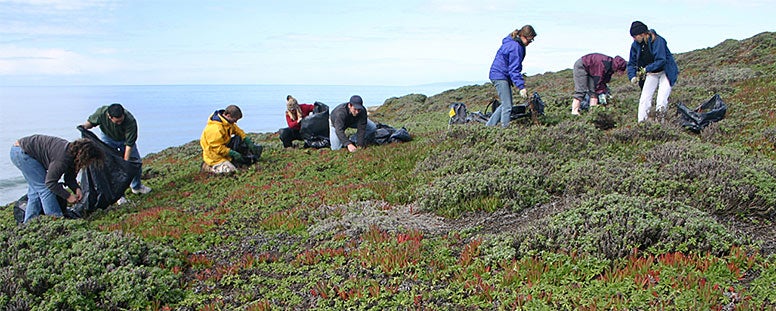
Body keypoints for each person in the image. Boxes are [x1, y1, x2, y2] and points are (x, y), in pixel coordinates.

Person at [10, 135, 104, 222]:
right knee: (45, 189)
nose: (89, 164)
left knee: (35, 191)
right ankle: (56, 221)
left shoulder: (73, 156)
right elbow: (50, 183)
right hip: (22, 152)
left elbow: (69, 178)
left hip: (23, 151)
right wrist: (68, 196)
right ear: (84, 156)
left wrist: (76, 189)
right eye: (89, 160)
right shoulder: (62, 159)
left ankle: (29, 222)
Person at [82, 103, 151, 195]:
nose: (119, 123)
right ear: (109, 117)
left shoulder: (130, 121)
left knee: (135, 163)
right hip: (108, 138)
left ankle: (136, 187)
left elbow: (129, 145)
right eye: (117, 121)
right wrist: (83, 128)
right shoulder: (101, 113)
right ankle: (118, 194)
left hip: (125, 140)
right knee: (110, 166)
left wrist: (125, 163)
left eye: (121, 120)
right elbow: (90, 123)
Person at [627, 21, 679, 122]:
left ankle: (660, 124)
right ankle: (642, 124)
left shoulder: (658, 41)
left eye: (635, 36)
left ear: (642, 34)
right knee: (644, 99)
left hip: (665, 72)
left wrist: (646, 69)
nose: (634, 39)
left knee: (661, 99)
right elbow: (631, 63)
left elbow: (661, 60)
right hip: (652, 73)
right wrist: (632, 76)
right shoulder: (635, 45)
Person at [486, 25, 536, 128]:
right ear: (522, 36)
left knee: (506, 103)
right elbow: (514, 69)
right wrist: (521, 87)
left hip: (499, 74)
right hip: (500, 75)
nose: (530, 43)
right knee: (507, 106)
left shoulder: (514, 43)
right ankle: (505, 130)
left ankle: (489, 126)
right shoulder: (515, 47)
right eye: (529, 40)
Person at [200, 104, 261, 174]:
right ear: (228, 115)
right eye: (235, 120)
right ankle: (208, 167)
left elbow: (237, 130)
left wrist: (246, 140)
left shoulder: (227, 122)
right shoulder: (215, 129)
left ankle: (234, 160)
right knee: (230, 170)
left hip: (225, 147)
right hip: (214, 155)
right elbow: (217, 148)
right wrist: (232, 153)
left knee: (240, 139)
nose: (235, 122)